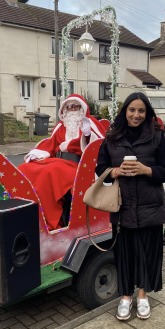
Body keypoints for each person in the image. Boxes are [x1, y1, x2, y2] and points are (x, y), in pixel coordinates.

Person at [96, 92, 165, 320]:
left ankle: (142, 296)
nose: (136, 115)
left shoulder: (157, 137)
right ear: (125, 112)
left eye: (141, 111)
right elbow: (100, 169)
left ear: (147, 112)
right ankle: (125, 297)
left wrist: (147, 170)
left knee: (148, 254)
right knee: (124, 254)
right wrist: (116, 172)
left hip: (150, 208)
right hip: (122, 209)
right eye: (132, 110)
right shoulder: (111, 138)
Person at [19, 94, 105, 231]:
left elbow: (99, 145)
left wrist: (86, 136)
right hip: (61, 163)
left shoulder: (90, 123)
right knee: (26, 168)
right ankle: (28, 211)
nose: (73, 109)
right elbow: (51, 144)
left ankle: (51, 221)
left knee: (50, 172)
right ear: (65, 109)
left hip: (81, 167)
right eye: (70, 106)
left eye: (76, 106)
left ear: (82, 108)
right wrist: (38, 154)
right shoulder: (60, 126)